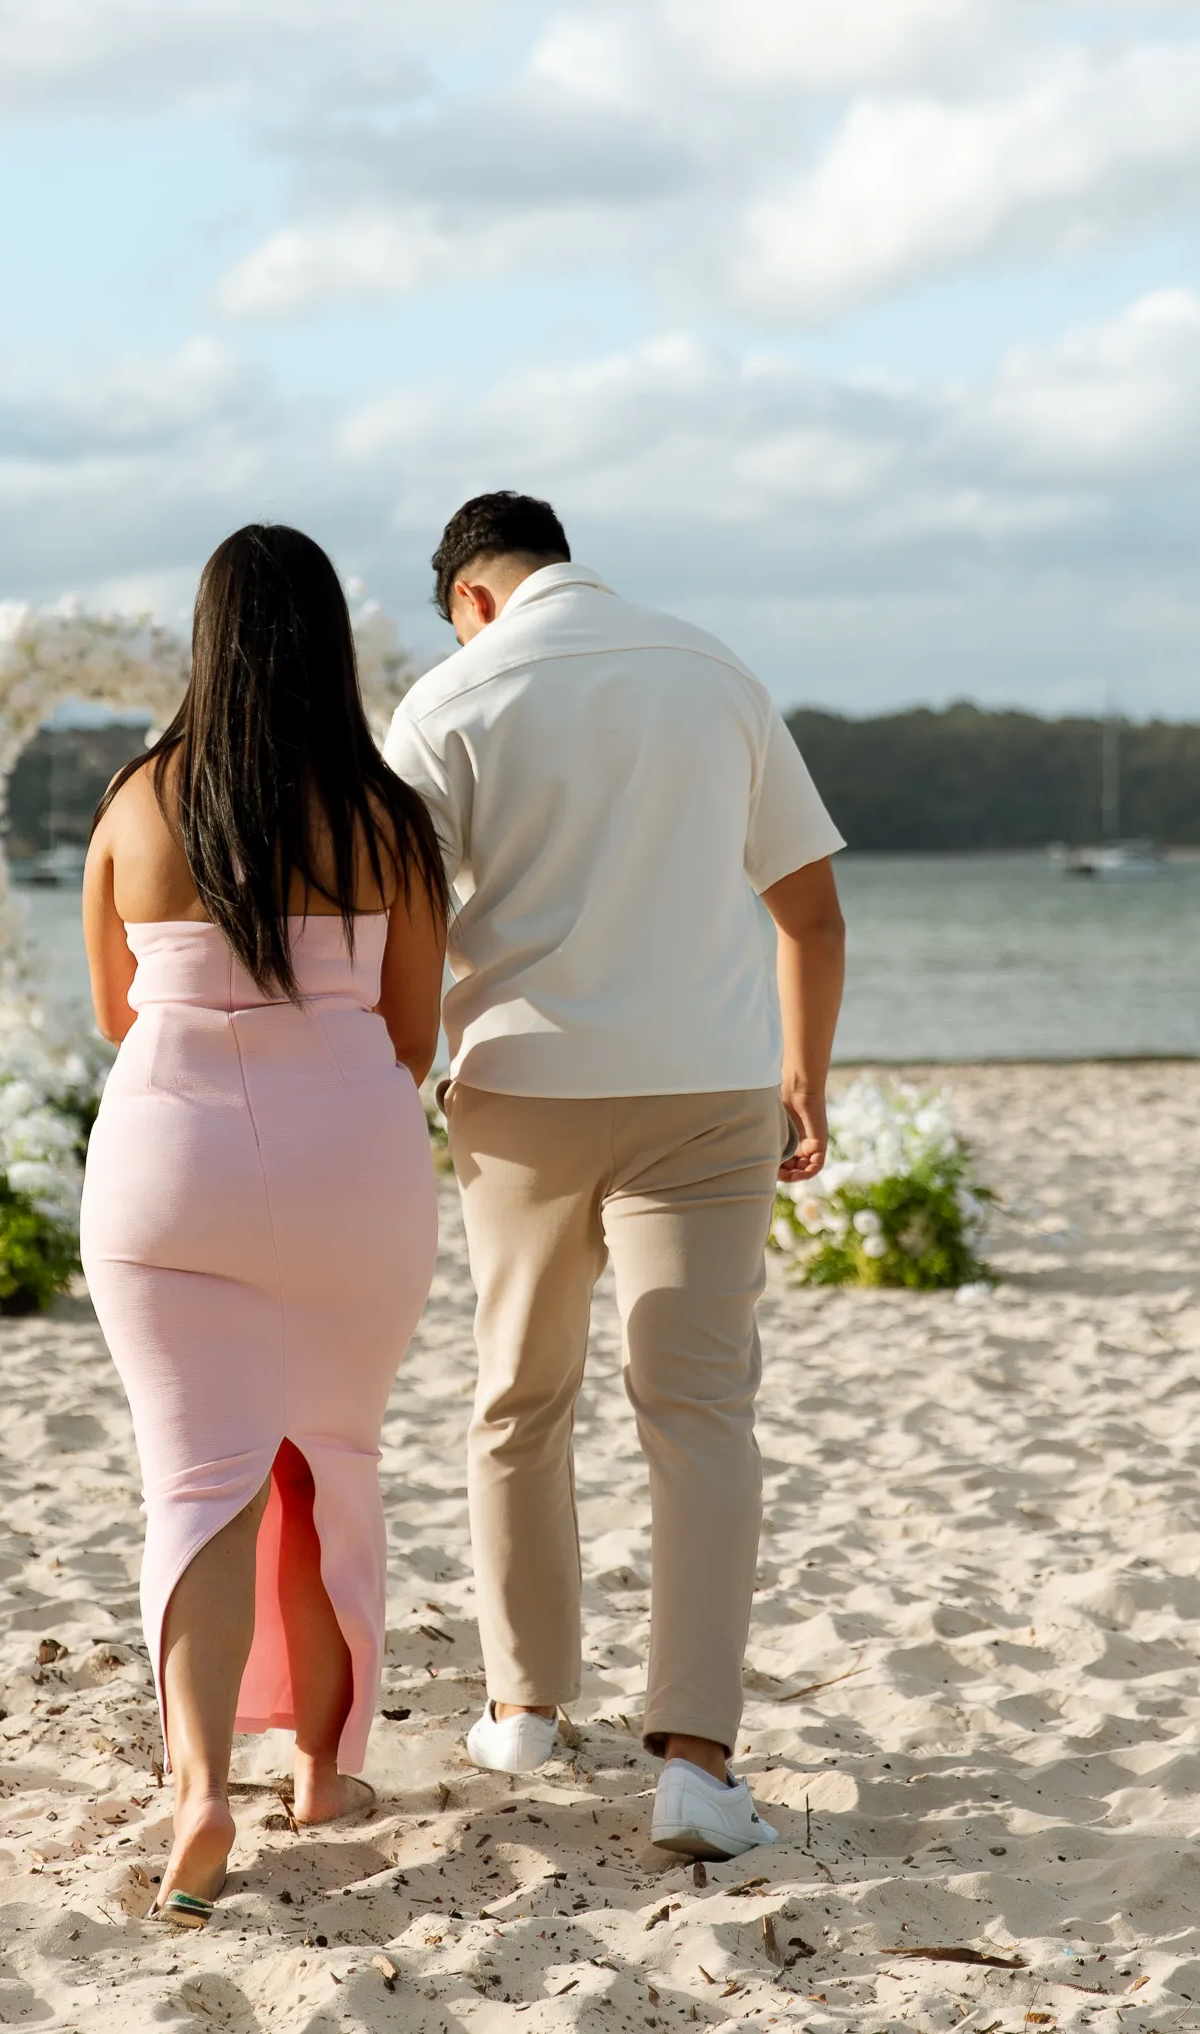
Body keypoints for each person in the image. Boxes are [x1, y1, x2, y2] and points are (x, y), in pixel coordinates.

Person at [383, 492, 846, 1862]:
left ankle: (524, 1708)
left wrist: (403, 1077)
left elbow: (406, 926)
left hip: (524, 1092)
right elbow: (808, 906)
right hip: (709, 1092)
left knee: (519, 1395)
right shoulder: (714, 671)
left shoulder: (448, 701)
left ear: (469, 595)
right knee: (700, 1411)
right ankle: (698, 1768)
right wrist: (804, 1078)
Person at [80, 524, 448, 1924]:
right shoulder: (384, 815)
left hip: (169, 1164)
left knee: (199, 1482)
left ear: (206, 639)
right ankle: (322, 1772)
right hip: (350, 1166)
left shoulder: (136, 802)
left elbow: (117, 1013)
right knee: (323, 1467)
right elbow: (414, 1029)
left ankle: (198, 1790)